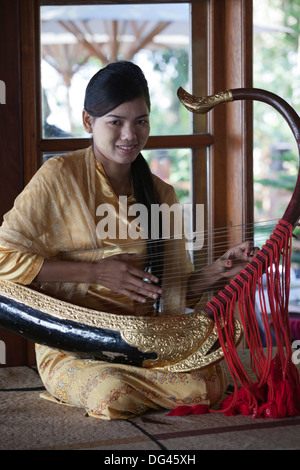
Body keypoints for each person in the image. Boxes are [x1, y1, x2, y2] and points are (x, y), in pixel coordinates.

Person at [0, 61, 256, 420]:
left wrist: (219, 271)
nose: (129, 135)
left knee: (208, 382)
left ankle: (143, 380)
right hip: (75, 342)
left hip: (144, 339)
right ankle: (126, 384)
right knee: (110, 393)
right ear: (89, 122)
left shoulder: (160, 193)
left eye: (140, 121)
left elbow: (173, 290)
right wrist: (96, 274)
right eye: (115, 122)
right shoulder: (59, 177)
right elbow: (3, 258)